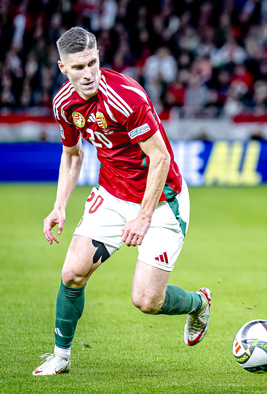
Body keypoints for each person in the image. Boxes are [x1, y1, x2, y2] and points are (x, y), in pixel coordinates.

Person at [33, 27, 211, 375]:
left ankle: (199, 303)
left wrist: (144, 217)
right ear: (62, 68)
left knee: (146, 301)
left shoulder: (125, 97)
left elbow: (159, 159)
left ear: (99, 58)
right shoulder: (64, 104)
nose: (88, 74)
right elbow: (72, 155)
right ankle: (61, 356)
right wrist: (59, 206)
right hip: (112, 196)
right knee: (72, 273)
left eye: (93, 63)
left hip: (161, 201)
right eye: (78, 67)